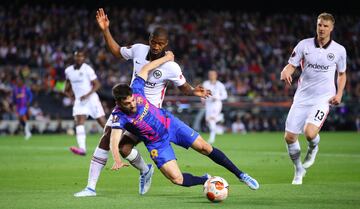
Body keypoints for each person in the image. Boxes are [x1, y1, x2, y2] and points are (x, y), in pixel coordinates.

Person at [74, 8, 211, 197]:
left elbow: (183, 86)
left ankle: (139, 172)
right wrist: (105, 30)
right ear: (149, 39)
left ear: (166, 44)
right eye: (153, 42)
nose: (156, 46)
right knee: (114, 142)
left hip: (150, 114)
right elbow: (116, 52)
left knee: (120, 145)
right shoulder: (138, 50)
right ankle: (102, 184)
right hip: (130, 105)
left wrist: (193, 91)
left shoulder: (170, 65)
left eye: (160, 44)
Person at [110, 51, 259, 192]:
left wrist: (166, 58)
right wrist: (117, 159)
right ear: (118, 102)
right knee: (177, 179)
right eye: (127, 104)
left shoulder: (136, 89)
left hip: (170, 124)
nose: (132, 104)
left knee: (205, 147)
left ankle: (241, 175)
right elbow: (114, 139)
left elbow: (146, 67)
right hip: (156, 143)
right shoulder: (119, 116)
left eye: (132, 101)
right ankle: (206, 180)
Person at [280, 12, 347, 185]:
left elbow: (342, 74)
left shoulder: (339, 50)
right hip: (302, 96)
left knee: (310, 133)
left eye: (325, 26)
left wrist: (339, 94)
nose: (322, 29)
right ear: (316, 26)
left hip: (323, 98)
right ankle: (298, 170)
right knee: (289, 137)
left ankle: (313, 146)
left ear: (331, 28)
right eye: (319, 25)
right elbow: (291, 65)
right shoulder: (304, 45)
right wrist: (285, 71)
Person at [64, 50, 107, 156]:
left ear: (84, 58)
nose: (79, 58)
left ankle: (119, 140)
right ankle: (82, 149)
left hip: (91, 99)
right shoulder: (68, 71)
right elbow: (67, 87)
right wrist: (70, 96)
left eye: (81, 57)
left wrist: (87, 95)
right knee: (79, 121)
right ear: (74, 57)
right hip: (79, 101)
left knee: (102, 123)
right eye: (77, 56)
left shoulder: (87, 69)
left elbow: (97, 84)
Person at [202, 70, 228, 144]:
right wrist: (202, 99)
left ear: (216, 75)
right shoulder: (206, 83)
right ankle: (220, 117)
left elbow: (225, 95)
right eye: (210, 74)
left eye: (212, 74)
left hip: (216, 104)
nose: (211, 76)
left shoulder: (220, 85)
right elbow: (202, 93)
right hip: (208, 104)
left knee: (211, 119)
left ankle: (212, 138)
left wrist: (217, 97)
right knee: (208, 121)